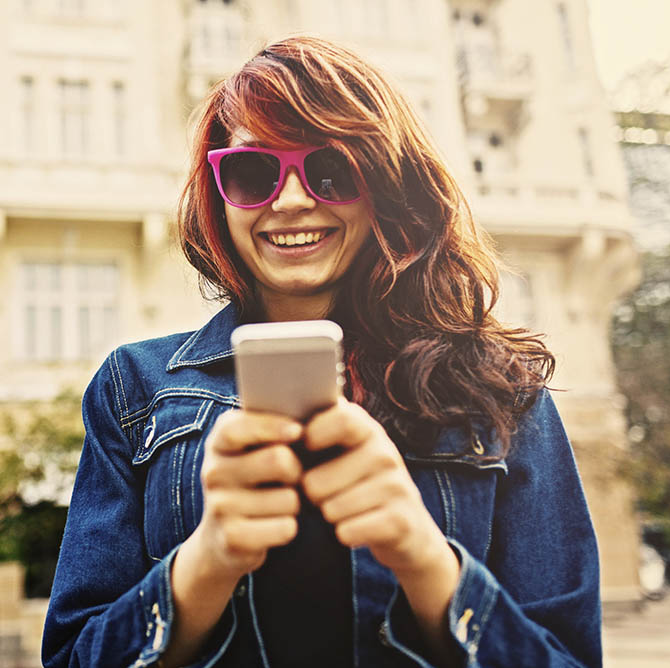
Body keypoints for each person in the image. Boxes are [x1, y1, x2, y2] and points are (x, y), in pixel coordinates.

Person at [42, 36, 601, 667]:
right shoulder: (135, 389)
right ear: (217, 193)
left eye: (330, 169)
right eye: (252, 172)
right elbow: (71, 658)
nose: (290, 200)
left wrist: (423, 557)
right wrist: (207, 560)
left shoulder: (502, 386)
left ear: (385, 183)